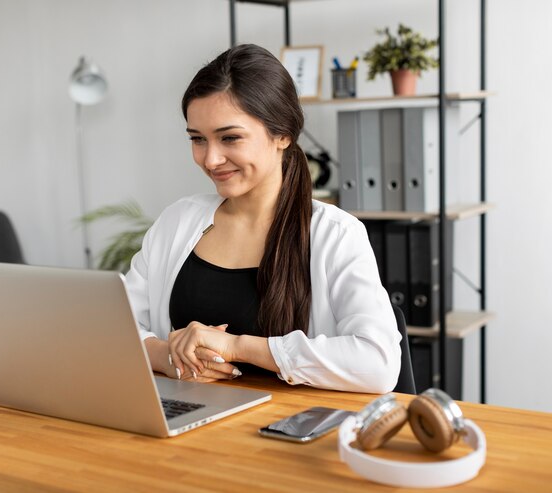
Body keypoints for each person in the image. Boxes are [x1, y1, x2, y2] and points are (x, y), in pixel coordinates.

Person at [125, 44, 400, 394]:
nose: (210, 160)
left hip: (288, 433)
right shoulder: (177, 221)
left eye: (230, 138)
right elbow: (117, 329)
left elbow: (378, 364)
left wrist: (238, 347)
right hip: (189, 423)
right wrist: (170, 357)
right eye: (197, 139)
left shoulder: (336, 234)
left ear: (282, 134)